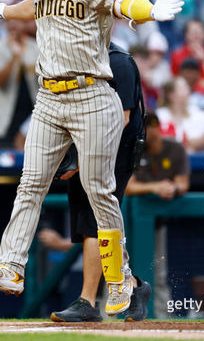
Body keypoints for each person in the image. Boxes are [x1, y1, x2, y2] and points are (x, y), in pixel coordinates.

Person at [0, 0, 183, 315]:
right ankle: (12, 267)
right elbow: (33, 7)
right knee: (30, 182)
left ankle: (119, 279)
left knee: (99, 190)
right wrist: (2, 11)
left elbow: (124, 5)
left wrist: (150, 11)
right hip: (50, 98)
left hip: (92, 95)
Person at [43, 42, 151, 322]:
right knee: (84, 226)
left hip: (117, 151)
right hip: (87, 147)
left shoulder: (119, 62)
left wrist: (80, 156)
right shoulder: (74, 61)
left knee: (95, 223)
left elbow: (123, 119)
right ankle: (134, 287)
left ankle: (87, 301)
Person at [125, 111, 190, 317]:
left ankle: (162, 319)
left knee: (158, 274)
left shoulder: (174, 148)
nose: (149, 131)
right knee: (117, 273)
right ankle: (111, 318)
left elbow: (183, 183)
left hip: (156, 224)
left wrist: (172, 189)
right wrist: (156, 187)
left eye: (152, 126)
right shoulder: (135, 148)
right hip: (127, 223)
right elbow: (128, 187)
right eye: (145, 127)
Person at [0, 19, 38, 148]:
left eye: (18, 21)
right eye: (9, 21)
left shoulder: (36, 47)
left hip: (31, 112)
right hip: (4, 116)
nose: (13, 25)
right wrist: (15, 58)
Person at [156, 77, 204, 152]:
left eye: (187, 86)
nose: (188, 89)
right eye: (182, 88)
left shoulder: (195, 112)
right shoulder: (161, 114)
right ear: (171, 95)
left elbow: (198, 142)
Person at [170, 19, 204, 85]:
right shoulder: (176, 55)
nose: (196, 36)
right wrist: (203, 83)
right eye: (193, 32)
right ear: (186, 35)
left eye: (199, 32)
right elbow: (174, 81)